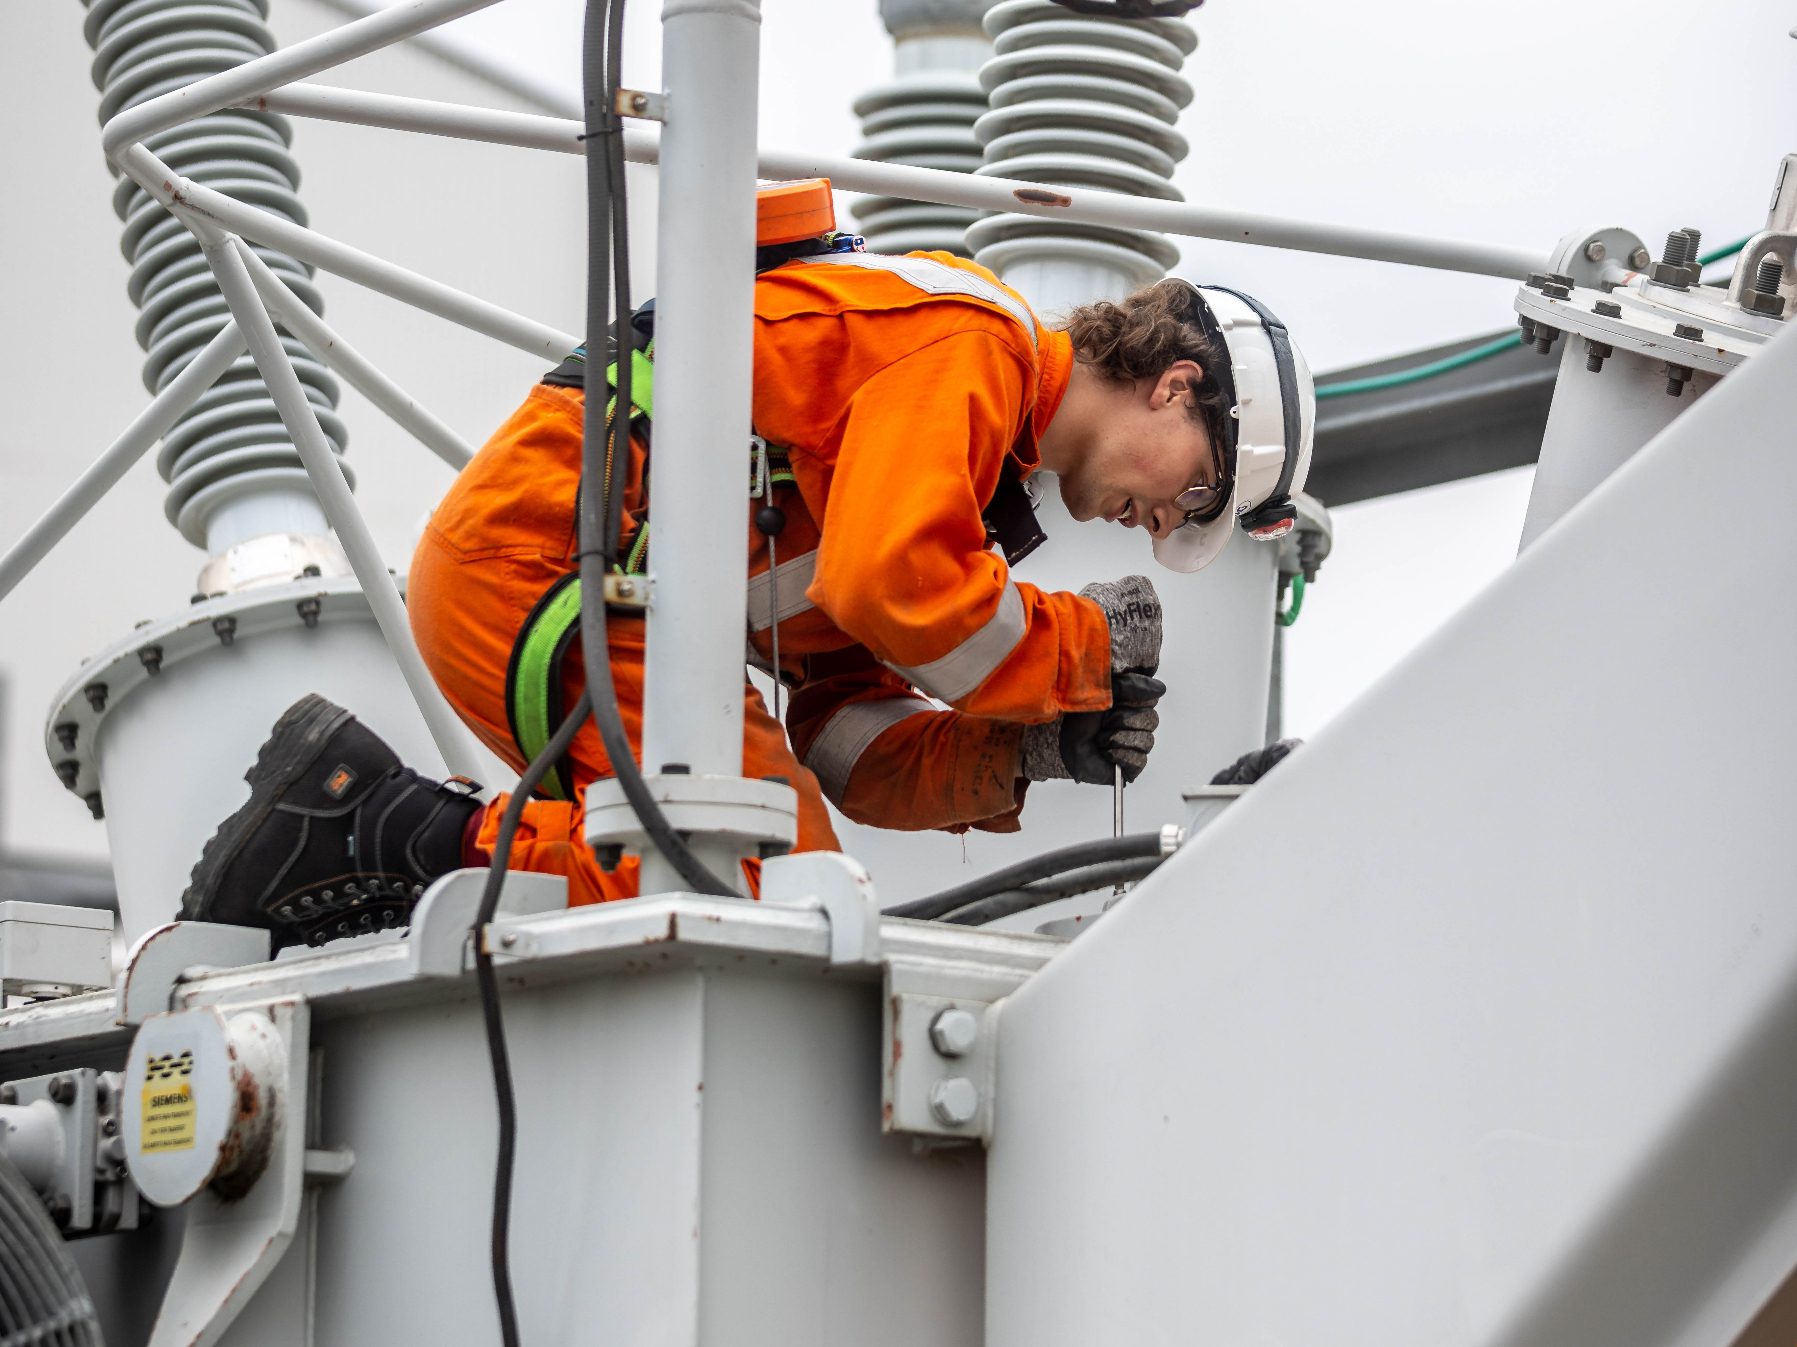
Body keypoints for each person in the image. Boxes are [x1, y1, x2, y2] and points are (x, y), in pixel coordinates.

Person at [179, 209, 1314, 950]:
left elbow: (842, 738)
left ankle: (360, 841)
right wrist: (1075, 652)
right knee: (766, 890)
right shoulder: (977, 346)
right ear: (1173, 384)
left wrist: (1025, 750)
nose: (1164, 526)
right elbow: (891, 581)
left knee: (748, 877)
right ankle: (367, 829)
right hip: (548, 559)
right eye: (1196, 491)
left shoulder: (964, 482)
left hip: (580, 590)